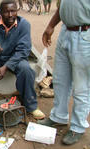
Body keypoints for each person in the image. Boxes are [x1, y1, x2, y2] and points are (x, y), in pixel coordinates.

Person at [37, 0, 90, 145]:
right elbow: (64, 5)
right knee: (60, 81)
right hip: (65, 32)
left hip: (84, 35)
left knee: (81, 86)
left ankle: (78, 127)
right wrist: (51, 25)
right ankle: (58, 117)